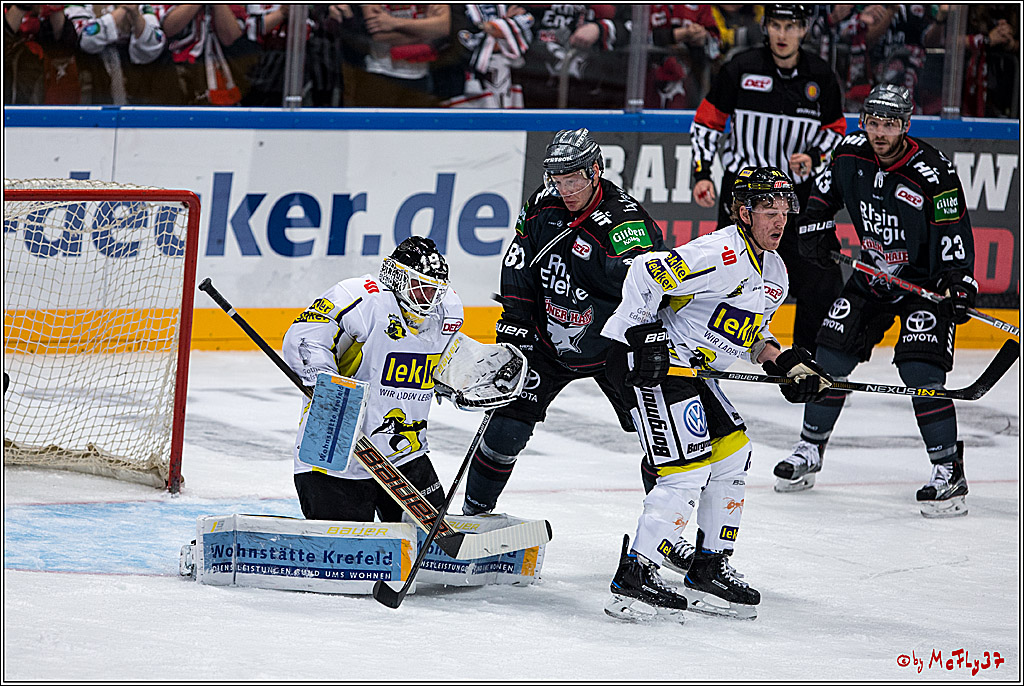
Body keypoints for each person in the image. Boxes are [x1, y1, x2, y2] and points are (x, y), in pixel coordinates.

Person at [601, 167, 832, 620]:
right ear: (743, 213)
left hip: (694, 371)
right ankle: (634, 575)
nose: (779, 221)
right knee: (685, 473)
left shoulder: (775, 272)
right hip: (654, 362)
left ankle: (707, 567)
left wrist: (779, 360)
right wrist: (643, 333)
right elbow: (645, 274)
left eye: (785, 211)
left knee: (733, 455)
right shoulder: (720, 253)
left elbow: (748, 332)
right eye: (769, 210)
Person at [776, 84, 978, 519]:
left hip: (922, 284)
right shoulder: (849, 153)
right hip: (872, 275)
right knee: (829, 353)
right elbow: (822, 199)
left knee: (920, 369)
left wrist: (958, 283)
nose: (879, 132)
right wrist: (814, 227)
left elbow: (954, 231)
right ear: (862, 122)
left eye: (890, 124)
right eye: (873, 122)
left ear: (906, 126)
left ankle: (948, 470)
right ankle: (810, 449)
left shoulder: (934, 172)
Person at [460, 128, 667, 516]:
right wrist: (514, 320)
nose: (565, 188)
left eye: (573, 178)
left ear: (595, 171)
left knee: (661, 435)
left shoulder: (624, 225)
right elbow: (519, 258)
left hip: (612, 346)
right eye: (557, 179)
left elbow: (651, 284)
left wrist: (650, 334)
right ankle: (474, 514)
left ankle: (664, 527)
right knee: (506, 428)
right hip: (546, 343)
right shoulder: (543, 203)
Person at [690, 4, 846, 355]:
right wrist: (702, 173)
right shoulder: (741, 68)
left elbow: (836, 130)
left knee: (820, 278)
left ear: (804, 30)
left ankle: (809, 358)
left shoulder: (820, 76)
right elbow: (707, 122)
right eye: (775, 25)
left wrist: (815, 157)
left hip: (798, 198)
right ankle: (700, 351)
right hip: (745, 197)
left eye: (790, 26)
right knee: (722, 277)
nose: (781, 34)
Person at [282, 236, 461, 521]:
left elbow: (445, 363)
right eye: (422, 288)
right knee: (346, 555)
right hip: (337, 457)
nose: (430, 299)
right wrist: (326, 387)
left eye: (436, 291)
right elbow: (303, 338)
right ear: (398, 278)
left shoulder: (447, 310)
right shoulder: (360, 297)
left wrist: (469, 383)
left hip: (405, 455)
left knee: (431, 549)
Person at [66, 4, 167, 105]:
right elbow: (87, 40)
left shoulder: (142, 6)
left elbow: (156, 43)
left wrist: (136, 16)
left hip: (137, 85)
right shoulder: (80, 5)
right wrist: (122, 10)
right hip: (92, 81)